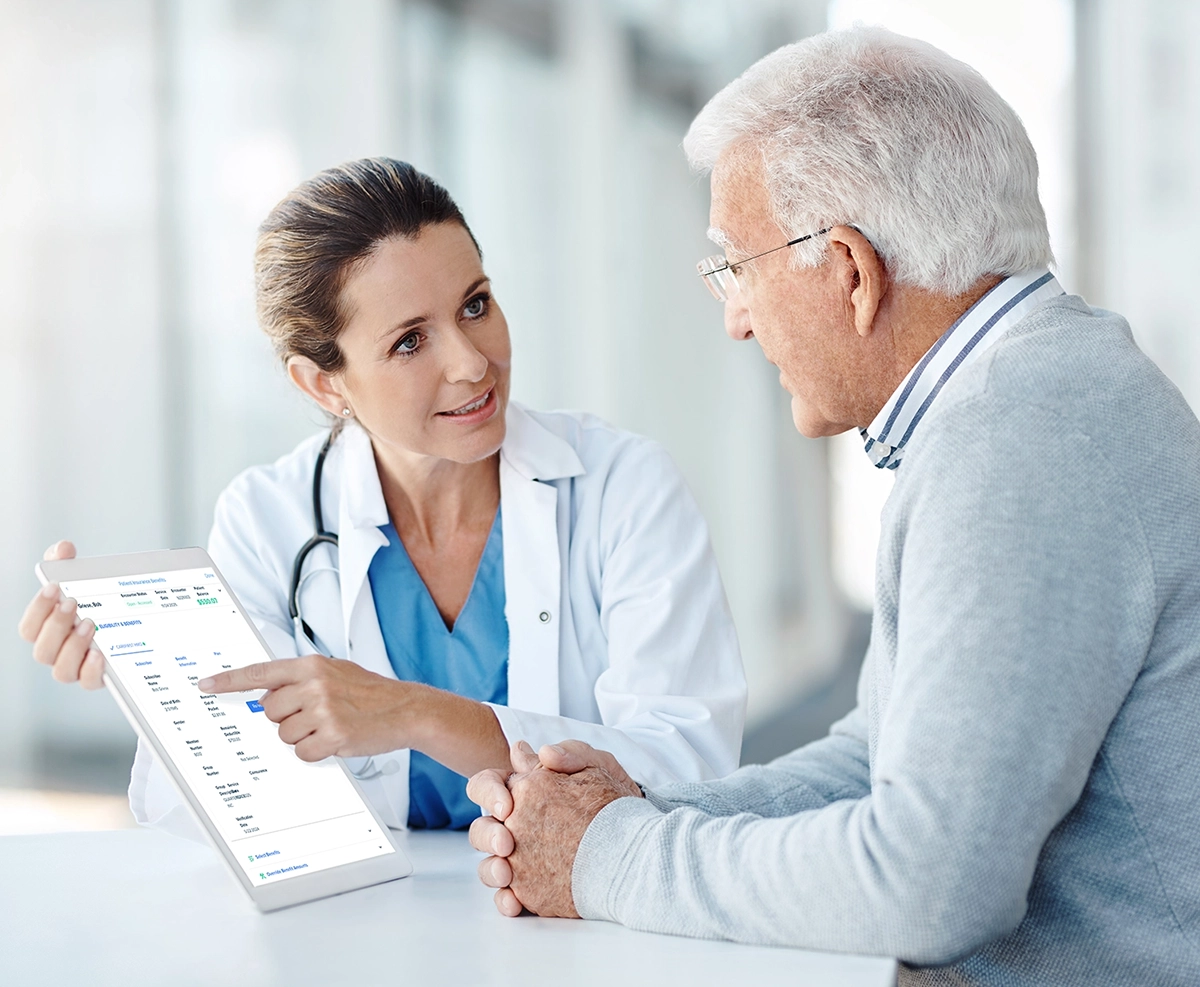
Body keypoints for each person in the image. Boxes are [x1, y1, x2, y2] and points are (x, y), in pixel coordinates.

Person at [465, 27, 1200, 985]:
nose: (734, 315)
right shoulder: (1033, 395)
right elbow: (883, 752)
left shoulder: (1021, 438)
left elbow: (930, 884)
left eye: (736, 264)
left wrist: (604, 857)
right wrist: (640, 806)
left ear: (848, 270)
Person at [18, 158, 746, 835]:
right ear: (322, 383)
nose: (471, 363)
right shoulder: (268, 523)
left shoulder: (623, 488)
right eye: (409, 341)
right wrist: (160, 681)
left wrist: (416, 714)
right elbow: (209, 813)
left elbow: (691, 772)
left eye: (475, 304)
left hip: (586, 932)